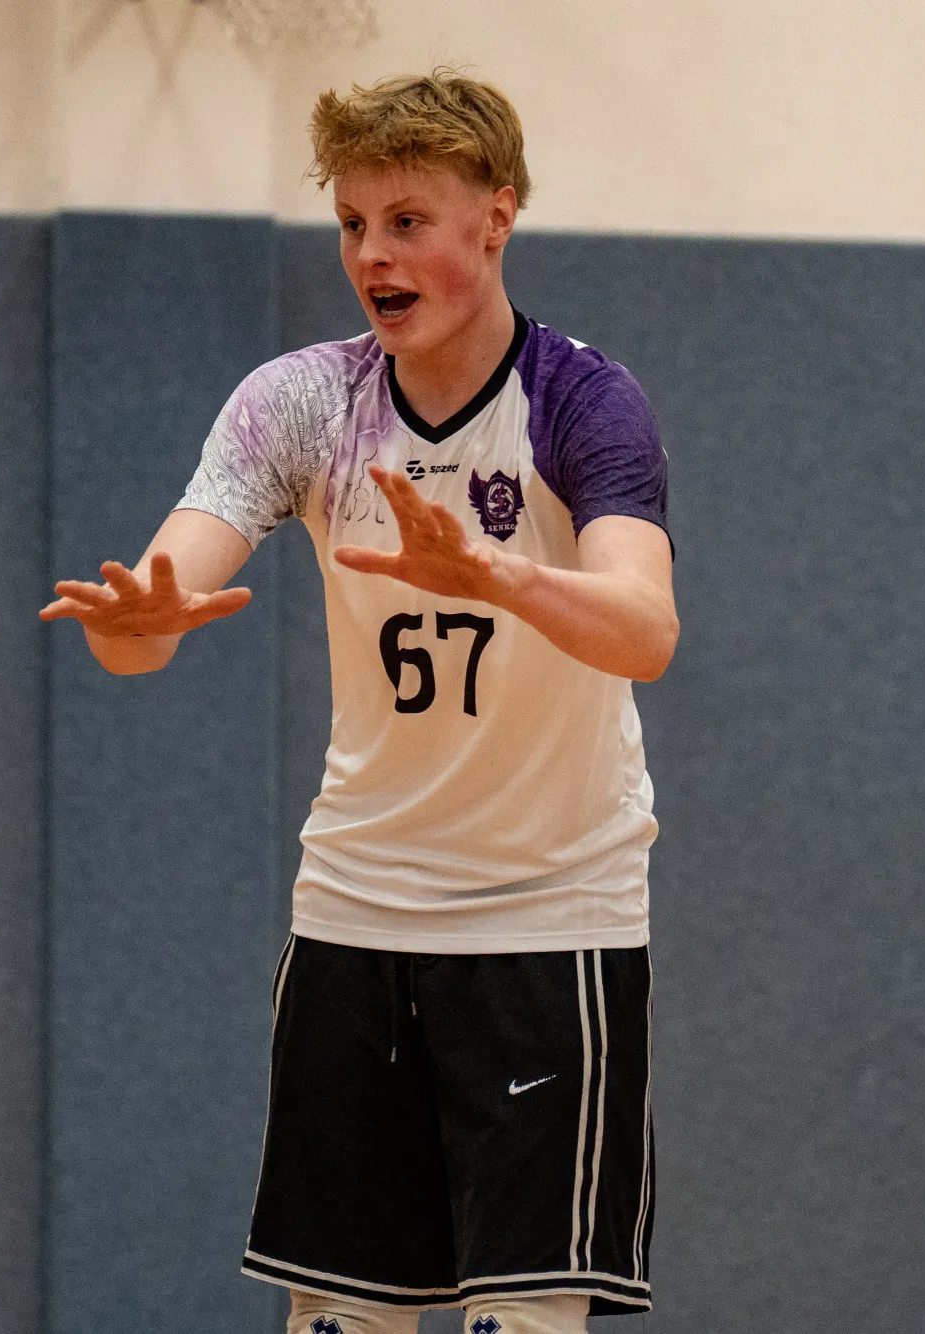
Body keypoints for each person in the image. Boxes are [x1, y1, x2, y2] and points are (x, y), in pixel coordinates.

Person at [40, 71, 675, 1334]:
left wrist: (491, 572)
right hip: (356, 910)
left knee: (517, 1317)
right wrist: (136, 622)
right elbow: (146, 625)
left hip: (549, 919)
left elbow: (644, 631)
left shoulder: (581, 400)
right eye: (350, 223)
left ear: (496, 219)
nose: (370, 255)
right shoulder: (300, 401)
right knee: (336, 1318)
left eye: (406, 221)